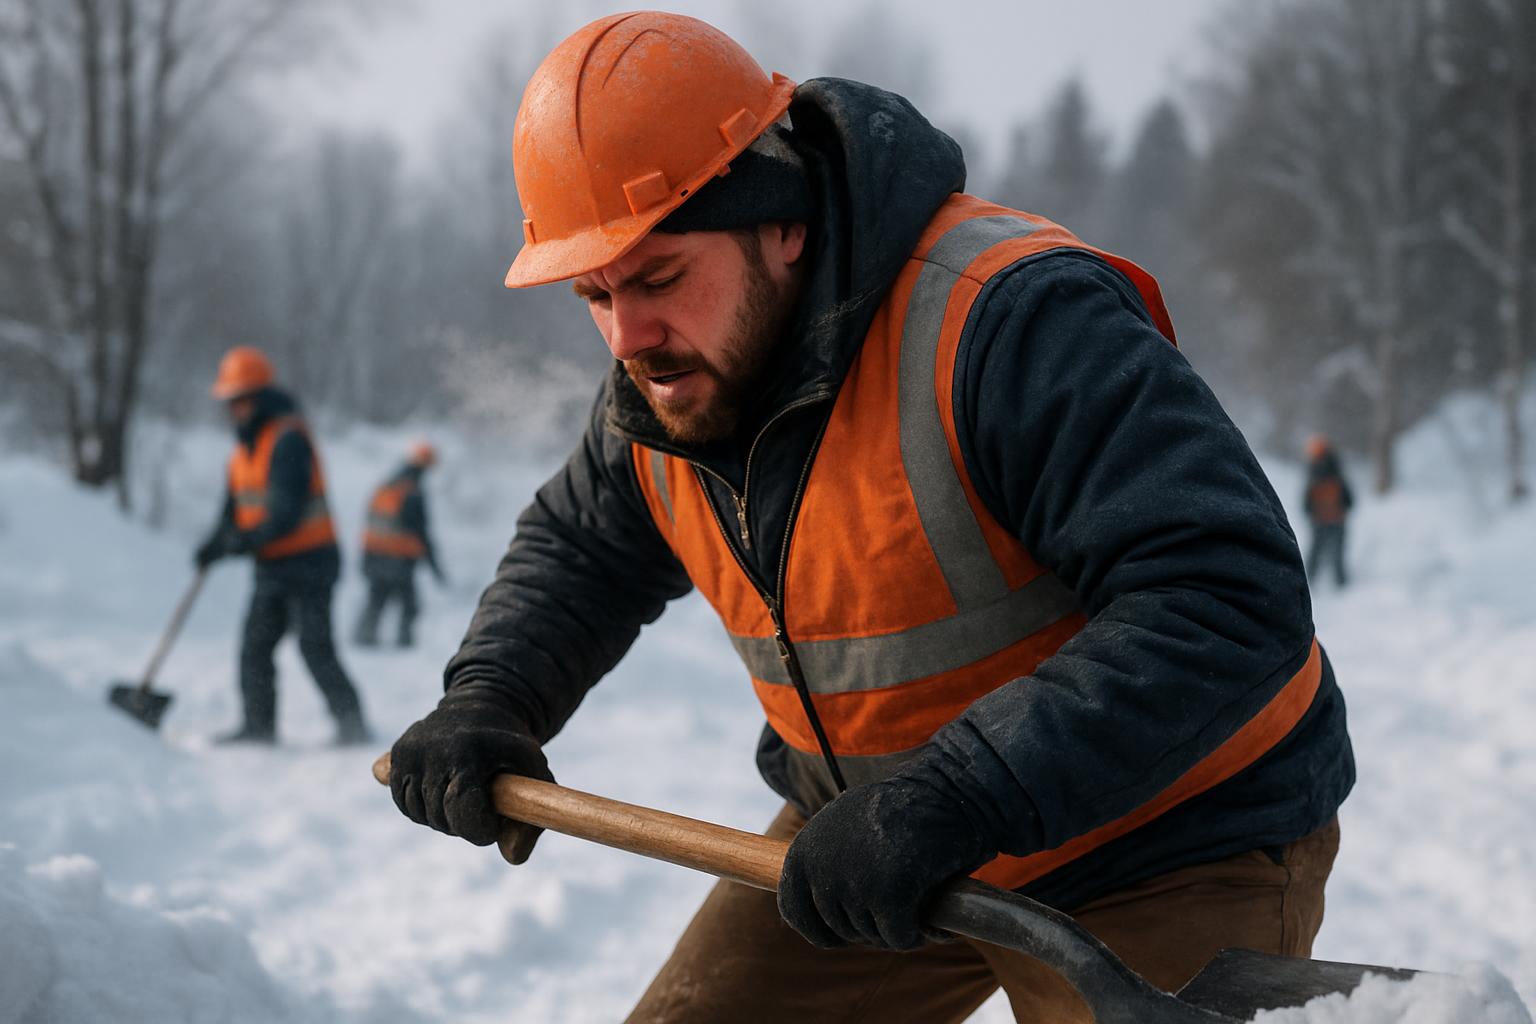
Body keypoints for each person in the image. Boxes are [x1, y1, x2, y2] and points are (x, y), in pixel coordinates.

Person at [387, 13, 1355, 1022]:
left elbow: (1224, 595)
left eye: (661, 278)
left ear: (784, 223)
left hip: (1163, 836)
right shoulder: (669, 387)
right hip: (875, 843)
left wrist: (958, 791)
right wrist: (490, 697)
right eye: (596, 293)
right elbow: (582, 548)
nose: (629, 337)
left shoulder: (1011, 323)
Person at [196, 346, 371, 746]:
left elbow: (284, 513)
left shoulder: (288, 439)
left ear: (258, 397)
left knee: (314, 647)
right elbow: (232, 513)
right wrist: (211, 546)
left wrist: (238, 545)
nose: (233, 409)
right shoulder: (241, 452)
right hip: (270, 566)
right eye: (230, 401)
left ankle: (352, 725)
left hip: (311, 562)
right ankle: (258, 727)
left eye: (239, 400)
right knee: (254, 648)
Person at [355, 441, 446, 649]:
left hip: (374, 554)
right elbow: (421, 531)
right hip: (399, 558)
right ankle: (404, 644)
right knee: (410, 605)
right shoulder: (412, 492)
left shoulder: (388, 484)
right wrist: (434, 566)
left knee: (377, 599)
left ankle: (364, 639)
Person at [1303, 434, 1353, 589]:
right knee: (1337, 554)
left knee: (1316, 553)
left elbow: (1307, 501)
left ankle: (1309, 582)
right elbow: (1349, 500)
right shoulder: (1337, 473)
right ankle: (1340, 584)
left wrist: (1311, 514)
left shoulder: (1314, 474)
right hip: (1337, 520)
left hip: (1320, 521)